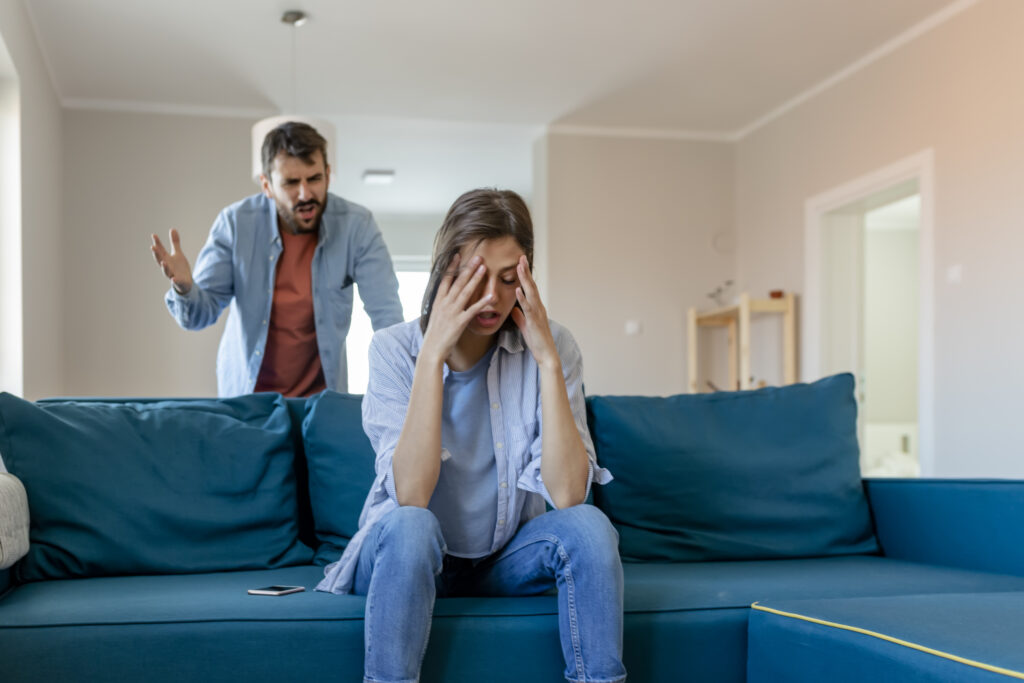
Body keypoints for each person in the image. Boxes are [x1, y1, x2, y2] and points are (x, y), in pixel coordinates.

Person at [316, 189, 626, 683]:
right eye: (477, 277)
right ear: (447, 270)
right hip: (408, 557)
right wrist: (432, 354)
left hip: (500, 559)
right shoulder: (393, 350)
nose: (492, 298)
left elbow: (569, 495)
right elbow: (411, 495)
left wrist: (546, 360)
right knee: (413, 525)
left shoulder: (553, 345)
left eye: (509, 280)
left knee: (589, 527)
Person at [150, 121, 403, 397]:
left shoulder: (357, 226)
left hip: (322, 402)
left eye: (314, 179)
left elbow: (387, 317)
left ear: (328, 176)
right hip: (248, 403)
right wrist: (185, 289)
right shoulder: (235, 224)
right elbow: (198, 316)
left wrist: (395, 397)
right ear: (267, 185)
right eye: (292, 183)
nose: (306, 194)